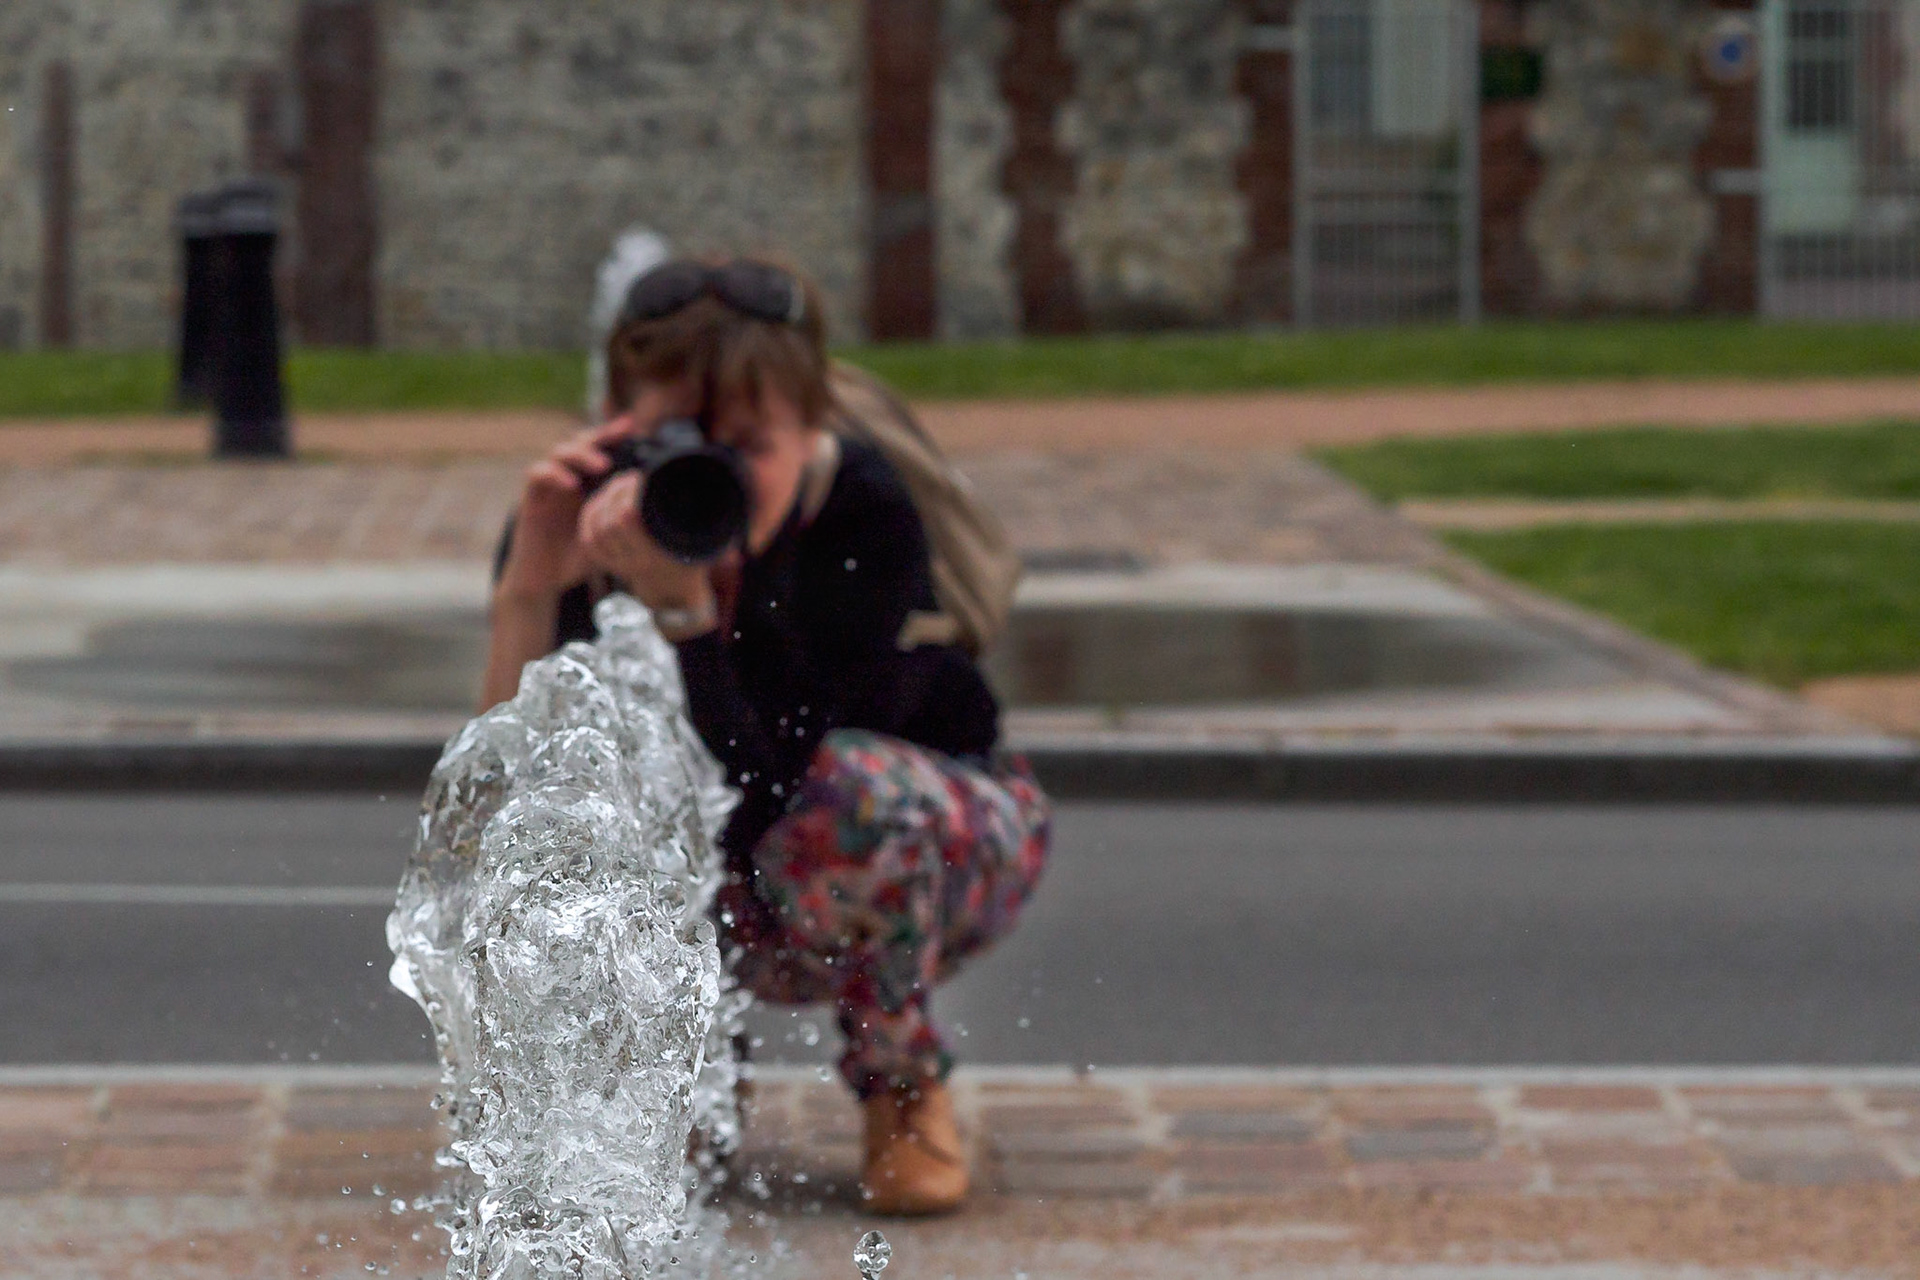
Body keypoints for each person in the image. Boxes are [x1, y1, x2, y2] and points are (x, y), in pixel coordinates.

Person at [482, 257, 1051, 1215]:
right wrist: (529, 589)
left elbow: (768, 781)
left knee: (852, 794)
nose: (710, 478)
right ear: (618, 420)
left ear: (815, 422)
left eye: (748, 446)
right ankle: (683, 1091)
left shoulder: (859, 510)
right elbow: (502, 791)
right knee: (582, 813)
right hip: (738, 868)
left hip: (913, 852)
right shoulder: (586, 509)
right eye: (674, 444)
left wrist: (686, 617)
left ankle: (902, 1088)